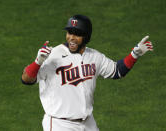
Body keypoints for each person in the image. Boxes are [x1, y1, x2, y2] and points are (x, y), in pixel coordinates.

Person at [21, 14, 153, 131]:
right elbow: (26, 80)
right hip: (59, 124)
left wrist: (134, 54)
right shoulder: (52, 55)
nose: (71, 37)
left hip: (88, 123)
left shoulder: (94, 56)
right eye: (69, 32)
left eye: (77, 34)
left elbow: (117, 71)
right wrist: (37, 62)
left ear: (86, 36)